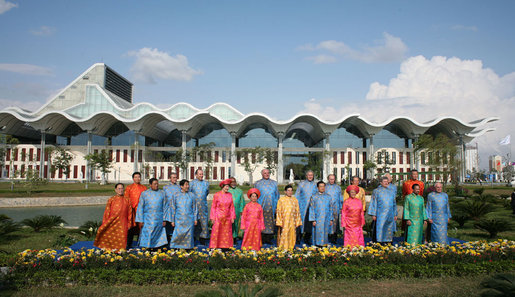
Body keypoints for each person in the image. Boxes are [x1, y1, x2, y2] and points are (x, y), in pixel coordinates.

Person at [94, 183, 133, 250]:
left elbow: (130, 213)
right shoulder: (111, 199)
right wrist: (105, 223)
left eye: (122, 188)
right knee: (109, 236)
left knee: (122, 238)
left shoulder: (127, 200)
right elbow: (107, 212)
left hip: (123, 222)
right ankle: (110, 251)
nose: (120, 190)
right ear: (115, 190)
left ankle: (121, 253)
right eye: (119, 189)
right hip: (112, 221)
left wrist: (129, 223)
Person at [135, 178, 168, 249]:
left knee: (159, 236)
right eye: (154, 184)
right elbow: (140, 207)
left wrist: (164, 219)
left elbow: (165, 207)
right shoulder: (144, 194)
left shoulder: (162, 193)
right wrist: (140, 220)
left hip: (159, 218)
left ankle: (157, 249)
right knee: (148, 234)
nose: (156, 185)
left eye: (157, 184)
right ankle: (147, 249)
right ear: (150, 185)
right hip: (148, 219)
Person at [165, 179, 197, 249]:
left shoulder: (192, 195)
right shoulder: (176, 195)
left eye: (188, 185)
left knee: (189, 235)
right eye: (186, 185)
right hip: (179, 219)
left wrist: (195, 219)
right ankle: (175, 248)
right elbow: (173, 208)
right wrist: (172, 221)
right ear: (181, 186)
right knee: (177, 234)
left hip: (189, 219)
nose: (187, 186)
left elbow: (195, 208)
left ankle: (188, 249)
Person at [368, 176, 398, 244]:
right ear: (381, 183)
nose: (386, 183)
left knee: (389, 228)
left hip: (390, 213)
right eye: (384, 181)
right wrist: (373, 214)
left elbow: (394, 203)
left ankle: (388, 241)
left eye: (387, 181)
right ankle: (379, 242)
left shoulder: (391, 192)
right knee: (380, 228)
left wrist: (395, 213)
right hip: (380, 213)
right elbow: (373, 202)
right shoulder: (376, 191)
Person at [254, 168, 280, 244]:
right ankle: (261, 238)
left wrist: (277, 207)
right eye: (265, 173)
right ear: (262, 174)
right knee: (261, 221)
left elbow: (277, 195)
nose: (267, 174)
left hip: (272, 206)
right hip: (261, 206)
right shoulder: (257, 183)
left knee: (270, 222)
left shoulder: (274, 183)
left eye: (268, 173)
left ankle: (268, 239)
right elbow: (254, 195)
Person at [209, 179, 236, 249]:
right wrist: (212, 217)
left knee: (227, 232)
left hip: (227, 217)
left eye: (228, 186)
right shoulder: (217, 195)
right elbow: (213, 207)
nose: (227, 188)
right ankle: (215, 247)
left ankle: (226, 247)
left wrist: (233, 217)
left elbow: (232, 207)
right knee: (217, 232)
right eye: (226, 186)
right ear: (222, 186)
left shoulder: (230, 195)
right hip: (218, 217)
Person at [124, 172, 147, 249]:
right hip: (132, 211)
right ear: (133, 178)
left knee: (141, 228)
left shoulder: (144, 188)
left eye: (139, 177)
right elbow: (126, 199)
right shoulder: (129, 188)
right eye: (136, 177)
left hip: (142, 211)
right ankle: (128, 244)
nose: (138, 178)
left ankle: (140, 244)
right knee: (131, 228)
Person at [276, 185, 302, 250]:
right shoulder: (281, 200)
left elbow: (297, 211)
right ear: (285, 191)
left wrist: (297, 221)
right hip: (284, 221)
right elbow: (278, 211)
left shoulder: (295, 200)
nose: (290, 192)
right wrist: (279, 222)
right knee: (284, 234)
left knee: (292, 234)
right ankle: (283, 247)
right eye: (288, 190)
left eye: (291, 191)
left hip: (292, 221)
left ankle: (291, 247)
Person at [309, 181, 335, 246]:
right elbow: (311, 209)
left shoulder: (328, 197)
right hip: (318, 218)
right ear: (318, 187)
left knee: (325, 232)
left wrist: (331, 219)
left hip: (326, 218)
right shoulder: (314, 197)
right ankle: (317, 246)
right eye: (320, 186)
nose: (322, 188)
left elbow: (331, 208)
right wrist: (313, 220)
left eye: (323, 186)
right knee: (317, 232)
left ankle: (324, 245)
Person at [294, 170, 317, 244]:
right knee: (300, 223)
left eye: (311, 175)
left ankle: (307, 239)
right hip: (302, 207)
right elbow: (297, 195)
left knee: (309, 224)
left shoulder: (315, 185)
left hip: (311, 208)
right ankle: (298, 238)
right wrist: (296, 206)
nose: (310, 176)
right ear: (306, 176)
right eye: (309, 175)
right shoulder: (301, 184)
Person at [190, 169, 210, 245]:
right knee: (194, 222)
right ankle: (193, 238)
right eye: (199, 174)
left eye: (202, 174)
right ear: (196, 175)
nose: (201, 175)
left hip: (203, 206)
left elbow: (207, 193)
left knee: (203, 222)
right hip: (194, 207)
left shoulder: (206, 183)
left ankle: (203, 239)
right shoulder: (192, 183)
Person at [163, 172, 180, 244]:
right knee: (168, 225)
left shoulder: (179, 187)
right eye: (173, 177)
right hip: (168, 209)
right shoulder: (165, 188)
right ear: (170, 178)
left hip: (177, 210)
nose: (175, 179)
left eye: (176, 177)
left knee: (176, 226)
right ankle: (167, 240)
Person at [325, 174, 343, 244]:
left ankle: (334, 237)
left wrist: (341, 207)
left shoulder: (338, 188)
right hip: (327, 208)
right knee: (327, 222)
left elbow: (340, 198)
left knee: (335, 223)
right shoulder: (325, 187)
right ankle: (327, 237)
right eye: (330, 179)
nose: (331, 180)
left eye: (333, 179)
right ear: (328, 179)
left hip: (336, 207)